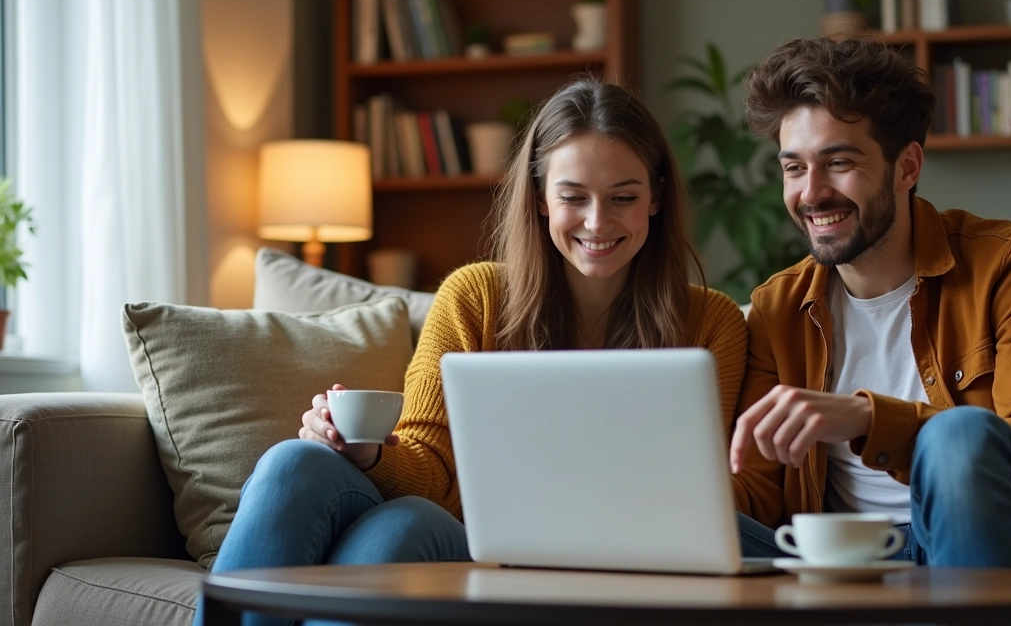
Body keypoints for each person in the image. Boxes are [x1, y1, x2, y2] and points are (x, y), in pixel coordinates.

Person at [199, 78, 747, 626]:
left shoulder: (709, 322)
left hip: (588, 562)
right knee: (293, 461)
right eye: (572, 197)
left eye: (623, 197)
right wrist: (365, 452)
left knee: (400, 530)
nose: (597, 221)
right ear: (539, 198)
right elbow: (430, 468)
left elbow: (716, 496)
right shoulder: (475, 296)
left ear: (655, 198)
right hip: (460, 534)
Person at [725, 36, 1011, 572]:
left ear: (906, 167)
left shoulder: (1008, 266)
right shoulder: (777, 308)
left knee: (959, 435)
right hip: (848, 565)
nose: (811, 192)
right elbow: (760, 492)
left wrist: (871, 419)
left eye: (838, 162)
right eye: (793, 168)